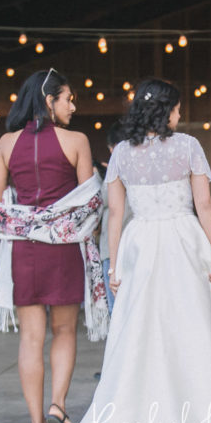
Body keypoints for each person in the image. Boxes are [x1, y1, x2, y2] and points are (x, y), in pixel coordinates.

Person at [54, 79, 211, 423]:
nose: (180, 114)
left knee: (139, 333)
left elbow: (116, 215)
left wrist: (115, 265)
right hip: (183, 242)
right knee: (191, 331)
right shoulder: (188, 146)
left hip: (139, 244)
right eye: (177, 107)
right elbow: (205, 205)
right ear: (166, 110)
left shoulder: (122, 151)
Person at [0, 68, 94, 423]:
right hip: (63, 249)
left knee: (31, 338)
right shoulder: (77, 141)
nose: (73, 106)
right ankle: (57, 406)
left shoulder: (6, 143)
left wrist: (27, 220)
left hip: (23, 250)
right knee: (64, 331)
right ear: (50, 100)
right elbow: (88, 202)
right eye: (68, 99)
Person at [97, 121, 127, 313]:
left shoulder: (115, 171)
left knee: (116, 311)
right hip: (134, 245)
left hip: (113, 248)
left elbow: (102, 201)